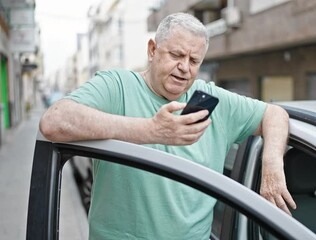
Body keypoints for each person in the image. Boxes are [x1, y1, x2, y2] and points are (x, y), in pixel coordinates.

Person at [39, 12, 296, 239]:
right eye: (176, 55)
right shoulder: (117, 86)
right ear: (152, 50)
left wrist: (272, 165)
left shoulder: (215, 101)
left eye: (194, 61)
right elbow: (54, 121)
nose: (184, 68)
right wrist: (151, 130)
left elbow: (274, 114)